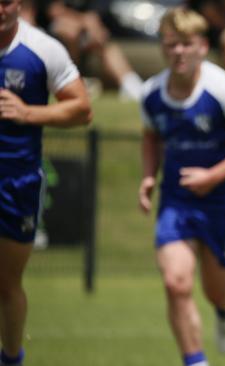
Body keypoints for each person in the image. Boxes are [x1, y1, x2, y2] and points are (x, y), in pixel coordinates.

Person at [138, 7, 225, 366]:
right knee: (176, 283)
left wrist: (212, 177)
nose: (178, 52)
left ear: (201, 46)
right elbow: (151, 137)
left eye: (186, 44)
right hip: (176, 202)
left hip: (222, 203)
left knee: (216, 290)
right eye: (171, 45)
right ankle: (195, 361)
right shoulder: (151, 93)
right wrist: (149, 176)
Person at [0, 0, 92, 365]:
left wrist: (27, 112)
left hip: (16, 182)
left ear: (18, 4)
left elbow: (82, 108)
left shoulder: (42, 49)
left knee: (7, 283)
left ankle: (11, 358)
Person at [22, 0, 144, 101]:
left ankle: (131, 85)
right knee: (70, 31)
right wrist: (84, 20)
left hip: (84, 34)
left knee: (102, 39)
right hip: (50, 33)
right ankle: (70, 81)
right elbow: (55, 11)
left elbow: (95, 16)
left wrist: (91, 27)